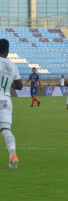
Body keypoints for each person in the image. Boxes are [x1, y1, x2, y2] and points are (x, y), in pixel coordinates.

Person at [0, 39, 23, 168]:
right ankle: (13, 154)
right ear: (7, 51)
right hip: (6, 100)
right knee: (6, 130)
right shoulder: (12, 65)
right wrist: (9, 83)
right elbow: (19, 86)